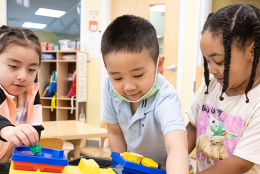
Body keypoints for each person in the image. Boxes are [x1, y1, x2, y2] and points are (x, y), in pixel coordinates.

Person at [101, 15, 188, 173]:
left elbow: (177, 145)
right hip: (134, 167)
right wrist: (121, 167)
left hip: (166, 168)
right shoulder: (109, 88)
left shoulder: (165, 96)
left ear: (158, 65)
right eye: (117, 77)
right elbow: (114, 132)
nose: (128, 87)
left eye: (138, 75)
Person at [186, 4, 260, 174]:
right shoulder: (211, 85)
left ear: (253, 51)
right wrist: (176, 158)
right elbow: (192, 127)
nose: (211, 70)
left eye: (218, 61)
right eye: (207, 61)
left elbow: (240, 163)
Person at [0, 25, 44, 163]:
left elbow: (36, 126)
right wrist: (6, 129)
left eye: (31, 69)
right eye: (13, 66)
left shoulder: (32, 92)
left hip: (11, 162)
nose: (23, 76)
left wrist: (32, 138)